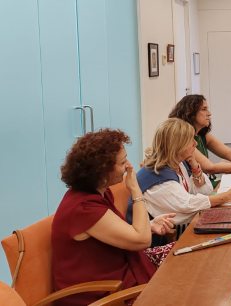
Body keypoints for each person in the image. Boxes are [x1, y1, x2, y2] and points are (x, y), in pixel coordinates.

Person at [52, 130, 176, 306]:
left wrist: (148, 224)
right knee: (183, 280)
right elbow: (142, 240)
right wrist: (135, 190)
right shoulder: (84, 209)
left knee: (184, 254)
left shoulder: (98, 193)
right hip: (101, 293)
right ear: (102, 170)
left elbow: (109, 231)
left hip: (118, 273)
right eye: (123, 162)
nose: (129, 166)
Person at [137, 118, 231, 234]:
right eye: (190, 140)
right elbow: (187, 206)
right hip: (153, 242)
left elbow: (205, 192)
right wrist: (226, 197)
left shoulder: (178, 163)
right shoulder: (158, 176)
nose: (196, 143)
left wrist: (195, 167)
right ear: (177, 146)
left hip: (177, 229)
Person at [168, 95, 231, 184]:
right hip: (197, 188)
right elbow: (210, 168)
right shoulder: (184, 140)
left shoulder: (202, 135)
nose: (209, 114)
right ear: (190, 113)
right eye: (204, 109)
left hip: (205, 183)